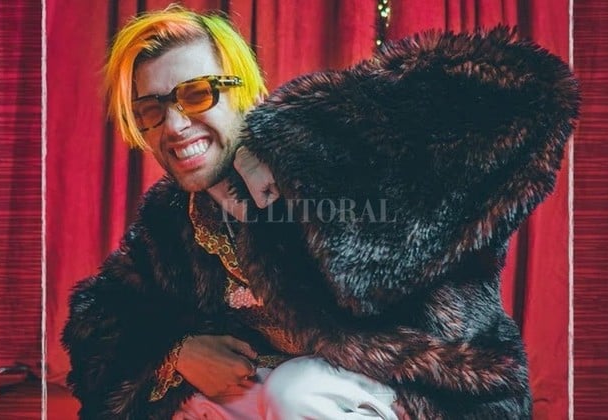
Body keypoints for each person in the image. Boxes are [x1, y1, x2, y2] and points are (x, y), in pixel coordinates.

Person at [61, 4, 580, 420]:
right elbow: (97, 318)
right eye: (151, 110)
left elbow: (532, 91)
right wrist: (177, 354)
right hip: (287, 386)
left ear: (244, 91)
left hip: (428, 385)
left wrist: (289, 148)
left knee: (299, 389)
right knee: (195, 403)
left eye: (197, 94)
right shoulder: (172, 216)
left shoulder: (326, 150)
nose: (174, 126)